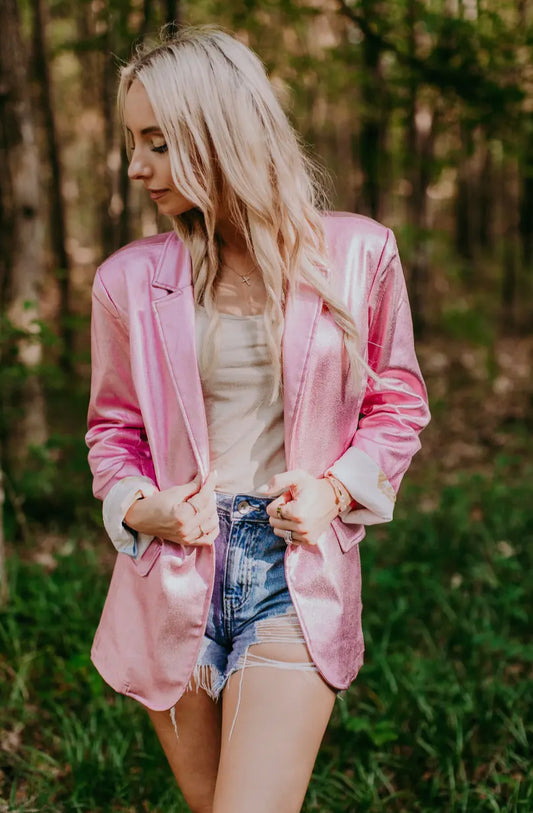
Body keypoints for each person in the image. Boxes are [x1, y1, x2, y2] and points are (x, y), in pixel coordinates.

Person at [86, 24, 430, 813]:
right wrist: (142, 507)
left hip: (289, 569)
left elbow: (397, 403)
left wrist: (335, 492)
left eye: (158, 142)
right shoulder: (128, 280)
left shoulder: (358, 255)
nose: (136, 166)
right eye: (131, 142)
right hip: (170, 578)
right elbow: (114, 430)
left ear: (220, 134)